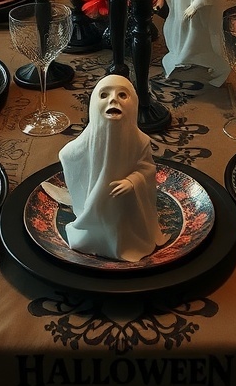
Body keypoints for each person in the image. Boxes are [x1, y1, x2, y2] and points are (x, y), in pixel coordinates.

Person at [58, 74, 166, 261]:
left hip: (126, 206)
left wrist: (132, 181)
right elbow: (67, 155)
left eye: (122, 95)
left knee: (121, 226)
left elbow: (147, 169)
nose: (113, 99)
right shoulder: (88, 138)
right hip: (97, 201)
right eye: (104, 95)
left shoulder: (140, 141)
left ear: (134, 105)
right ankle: (95, 235)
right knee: (99, 217)